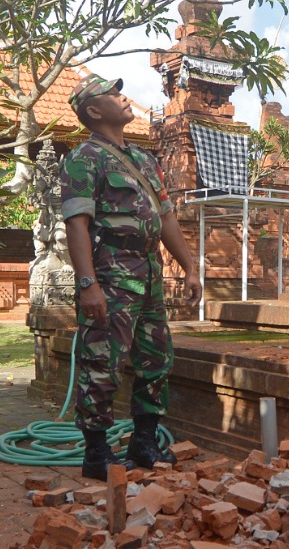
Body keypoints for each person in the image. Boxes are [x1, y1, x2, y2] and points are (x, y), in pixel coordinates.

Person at [60, 76, 202, 479]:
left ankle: (144, 442)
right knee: (102, 362)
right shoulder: (83, 159)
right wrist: (88, 285)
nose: (124, 98)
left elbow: (167, 217)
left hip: (150, 276)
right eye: (113, 94)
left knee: (156, 360)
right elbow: (77, 225)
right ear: (93, 111)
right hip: (110, 277)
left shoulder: (144, 160)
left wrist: (189, 266)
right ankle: (97, 453)